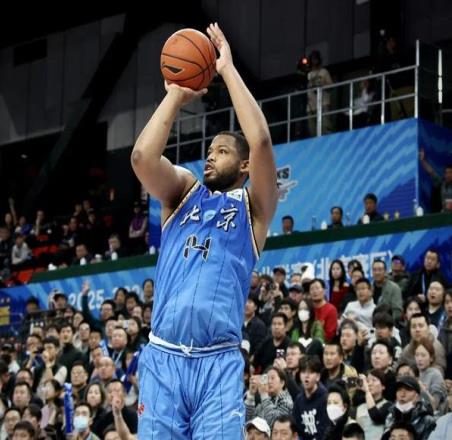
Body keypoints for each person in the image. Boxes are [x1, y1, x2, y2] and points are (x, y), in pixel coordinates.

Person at [131, 23, 278, 438]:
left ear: (244, 166)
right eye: (209, 150)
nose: (210, 157)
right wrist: (176, 95)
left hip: (218, 364)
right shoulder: (182, 193)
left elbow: (261, 142)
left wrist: (226, 69)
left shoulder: (254, 210)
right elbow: (142, 157)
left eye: (223, 151)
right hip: (163, 359)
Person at [293, 356, 329, 440]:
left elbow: (325, 431)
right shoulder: (298, 400)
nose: (306, 376)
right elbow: (296, 428)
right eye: (303, 372)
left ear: (318, 377)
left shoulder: (325, 398)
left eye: (311, 372)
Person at [419, 148, 452, 213]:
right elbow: (431, 172)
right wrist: (422, 160)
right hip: (444, 215)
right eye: (446, 173)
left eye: (450, 172)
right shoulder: (441, 184)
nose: (448, 175)